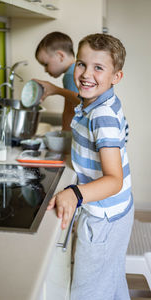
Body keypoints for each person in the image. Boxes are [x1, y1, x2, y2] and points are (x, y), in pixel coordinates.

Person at [47, 33, 134, 300]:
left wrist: (74, 192)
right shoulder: (94, 102)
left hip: (103, 218)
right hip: (116, 212)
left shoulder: (102, 115)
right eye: (82, 64)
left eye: (99, 68)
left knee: (89, 292)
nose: (86, 74)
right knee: (109, 280)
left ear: (115, 77)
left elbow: (113, 179)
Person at [34, 31, 80, 131]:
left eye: (46, 64)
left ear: (60, 56)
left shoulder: (70, 75)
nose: (45, 70)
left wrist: (65, 137)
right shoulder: (77, 68)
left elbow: (71, 110)